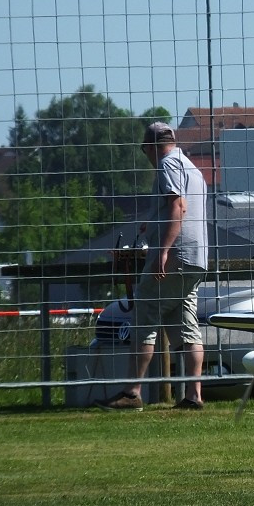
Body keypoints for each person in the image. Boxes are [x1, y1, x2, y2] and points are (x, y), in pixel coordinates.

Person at [98, 121, 209, 411]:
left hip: (173, 257)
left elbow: (177, 206)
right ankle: (193, 396)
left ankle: (132, 393)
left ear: (149, 147)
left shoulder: (166, 165)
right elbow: (181, 207)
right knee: (186, 329)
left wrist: (162, 249)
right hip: (196, 260)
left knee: (143, 318)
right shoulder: (192, 168)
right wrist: (153, 222)